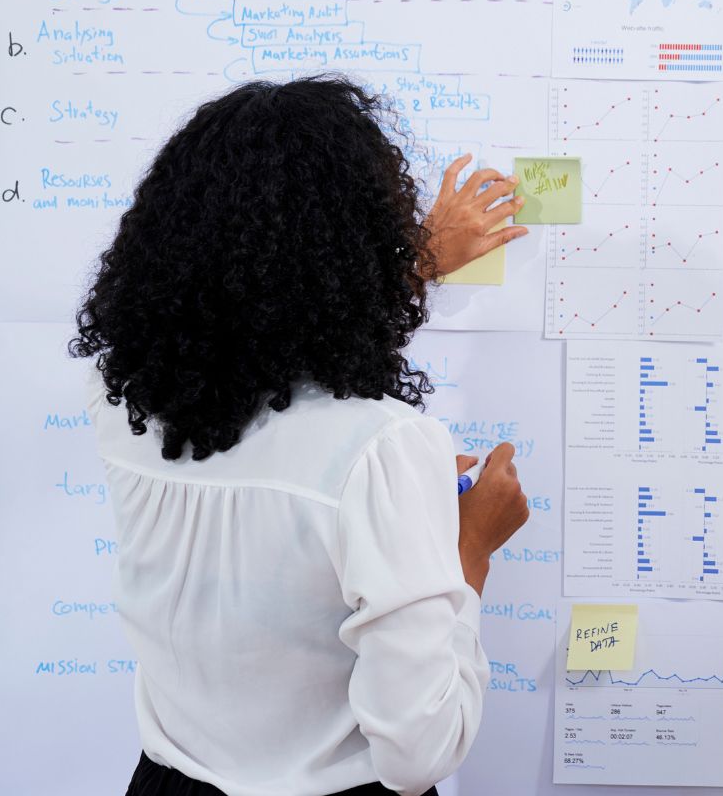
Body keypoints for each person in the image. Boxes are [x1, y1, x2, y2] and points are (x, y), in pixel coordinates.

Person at [71, 75, 533, 796]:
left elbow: (252, 328)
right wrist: (468, 547)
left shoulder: (121, 396)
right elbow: (417, 756)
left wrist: (408, 270)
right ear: (361, 245)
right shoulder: (379, 449)